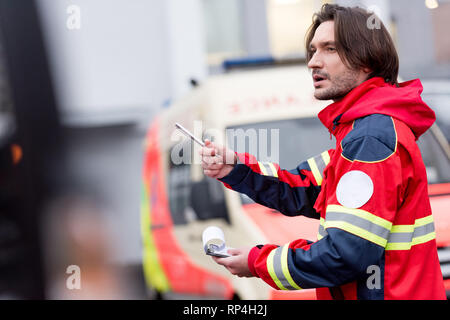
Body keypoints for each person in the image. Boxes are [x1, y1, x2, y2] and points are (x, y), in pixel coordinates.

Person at [199, 4, 446, 300]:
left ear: (366, 61)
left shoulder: (370, 139)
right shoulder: (361, 135)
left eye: (329, 49)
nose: (314, 62)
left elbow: (343, 256)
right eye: (313, 51)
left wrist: (257, 261)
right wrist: (236, 169)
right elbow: (301, 188)